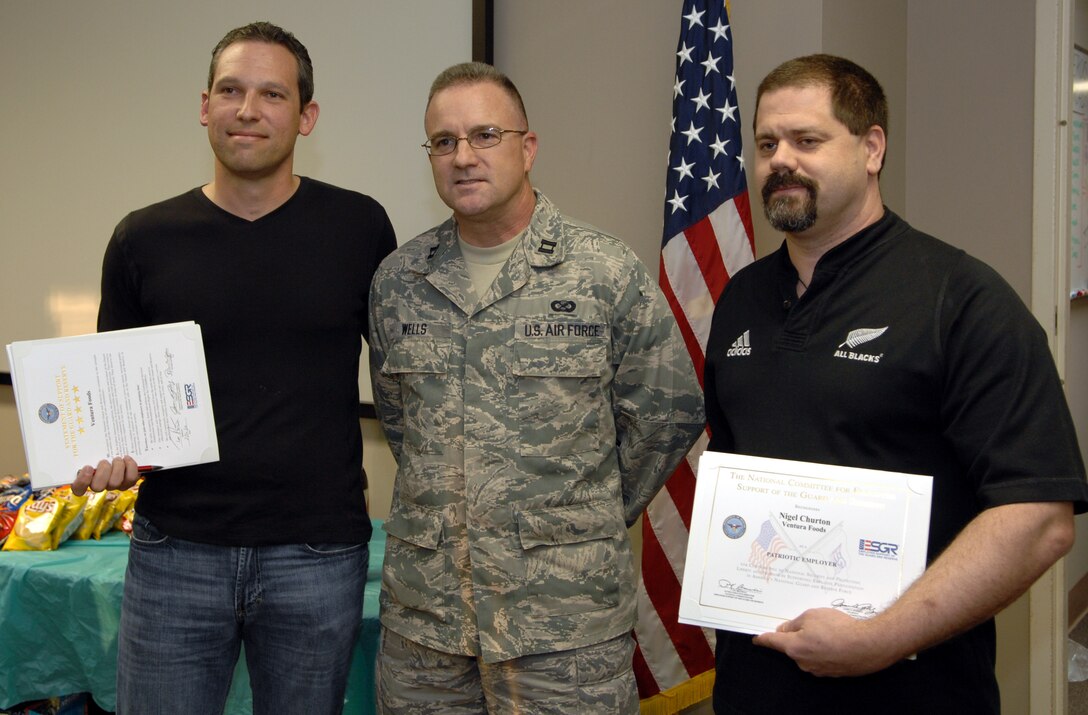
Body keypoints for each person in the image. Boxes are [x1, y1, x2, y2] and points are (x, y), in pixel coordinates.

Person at [704, 53, 1088, 714]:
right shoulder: (740, 300)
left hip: (911, 689)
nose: (780, 160)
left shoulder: (962, 300)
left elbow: (1038, 519)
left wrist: (880, 637)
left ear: (872, 147)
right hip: (754, 687)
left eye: (808, 140)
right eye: (767, 143)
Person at [72, 21, 396, 714]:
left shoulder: (359, 228)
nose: (248, 109)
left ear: (306, 116)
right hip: (174, 551)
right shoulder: (142, 238)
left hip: (317, 553)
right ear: (204, 105)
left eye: (272, 94)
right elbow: (112, 402)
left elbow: (405, 375)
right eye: (231, 90)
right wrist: (106, 452)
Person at [367, 62, 704, 714]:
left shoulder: (602, 270)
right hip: (427, 634)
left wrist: (578, 516)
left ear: (528, 146)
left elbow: (668, 411)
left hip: (564, 631)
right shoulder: (399, 280)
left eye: (485, 135)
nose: (463, 156)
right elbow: (403, 424)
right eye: (443, 141)